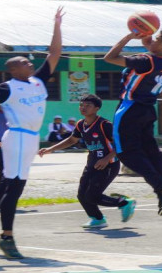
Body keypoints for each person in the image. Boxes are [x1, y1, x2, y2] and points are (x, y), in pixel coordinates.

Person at [0, 7, 64, 259]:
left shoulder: (38, 81)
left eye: (28, 61)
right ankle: (5, 236)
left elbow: (54, 53)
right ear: (13, 70)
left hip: (31, 139)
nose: (29, 62)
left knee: (10, 184)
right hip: (17, 136)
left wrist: (56, 24)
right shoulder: (7, 87)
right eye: (23, 62)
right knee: (14, 186)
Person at [102, 28, 162, 216]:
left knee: (125, 153)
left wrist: (129, 37)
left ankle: (161, 186)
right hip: (147, 110)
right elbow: (154, 51)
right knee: (150, 149)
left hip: (130, 109)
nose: (151, 41)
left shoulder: (145, 61)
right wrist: (149, 39)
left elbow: (110, 57)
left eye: (156, 39)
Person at [38, 94, 135, 229]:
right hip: (92, 164)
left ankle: (124, 203)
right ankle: (97, 219)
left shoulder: (104, 125)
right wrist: (50, 149)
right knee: (82, 195)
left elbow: (121, 144)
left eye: (87, 106)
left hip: (108, 165)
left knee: (92, 196)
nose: (83, 108)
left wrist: (106, 159)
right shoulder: (80, 125)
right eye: (81, 105)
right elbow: (72, 140)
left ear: (96, 108)